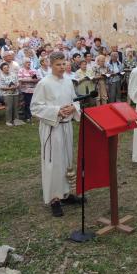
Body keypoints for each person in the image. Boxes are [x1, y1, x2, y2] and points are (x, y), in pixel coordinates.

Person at [30, 52, 82, 217]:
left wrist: (74, 108)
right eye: (58, 64)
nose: (61, 67)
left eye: (63, 64)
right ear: (51, 65)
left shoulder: (68, 81)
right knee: (53, 163)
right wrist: (57, 111)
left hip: (67, 127)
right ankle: (54, 199)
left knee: (66, 160)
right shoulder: (44, 83)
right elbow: (35, 108)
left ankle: (65, 193)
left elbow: (75, 100)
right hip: (52, 128)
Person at [0, 62, 23, 126]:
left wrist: (16, 86)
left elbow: (17, 82)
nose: (6, 69)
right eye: (5, 68)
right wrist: (9, 88)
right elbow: (1, 87)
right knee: (9, 107)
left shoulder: (13, 74)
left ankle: (16, 120)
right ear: (2, 69)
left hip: (15, 93)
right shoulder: (1, 77)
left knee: (15, 107)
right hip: (7, 94)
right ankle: (8, 121)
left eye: (7, 67)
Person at [18, 58, 40, 122]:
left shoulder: (33, 70)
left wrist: (33, 79)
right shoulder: (21, 70)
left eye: (29, 62)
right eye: (27, 62)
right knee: (27, 103)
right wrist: (30, 80)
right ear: (24, 63)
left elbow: (37, 79)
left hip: (33, 90)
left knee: (33, 103)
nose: (29, 64)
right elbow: (20, 79)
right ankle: (27, 116)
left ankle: (33, 115)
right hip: (25, 90)